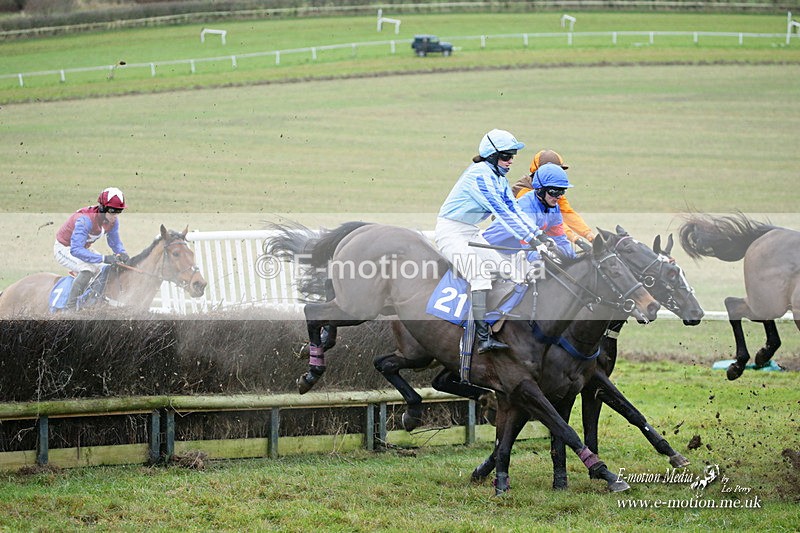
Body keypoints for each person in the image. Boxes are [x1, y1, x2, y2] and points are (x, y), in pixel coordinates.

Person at [435, 129, 547, 354]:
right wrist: (531, 240)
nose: (511, 161)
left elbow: (514, 209)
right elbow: (502, 213)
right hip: (451, 232)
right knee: (480, 276)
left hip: (471, 232)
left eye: (512, 156)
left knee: (512, 273)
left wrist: (538, 236)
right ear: (492, 156)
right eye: (506, 156)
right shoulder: (479, 175)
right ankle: (482, 338)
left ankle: (504, 328)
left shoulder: (499, 179)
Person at [54, 187, 130, 310]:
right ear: (102, 208)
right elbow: (75, 250)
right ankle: (70, 309)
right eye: (112, 211)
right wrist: (103, 257)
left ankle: (92, 301)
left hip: (82, 248)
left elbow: (114, 242)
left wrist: (121, 252)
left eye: (119, 211)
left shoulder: (112, 221)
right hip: (64, 248)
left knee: (105, 269)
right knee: (87, 269)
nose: (115, 216)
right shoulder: (85, 220)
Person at [484, 162, 577, 260]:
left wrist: (575, 260)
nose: (559, 196)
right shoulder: (526, 208)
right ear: (540, 189)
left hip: (514, 254)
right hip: (490, 251)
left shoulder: (554, 208)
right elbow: (530, 249)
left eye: (562, 191)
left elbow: (560, 240)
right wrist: (547, 258)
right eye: (554, 192)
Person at [512, 149, 595, 245]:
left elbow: (567, 212)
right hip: (516, 241)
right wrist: (574, 238)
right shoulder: (524, 192)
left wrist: (589, 234)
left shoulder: (553, 190)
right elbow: (550, 220)